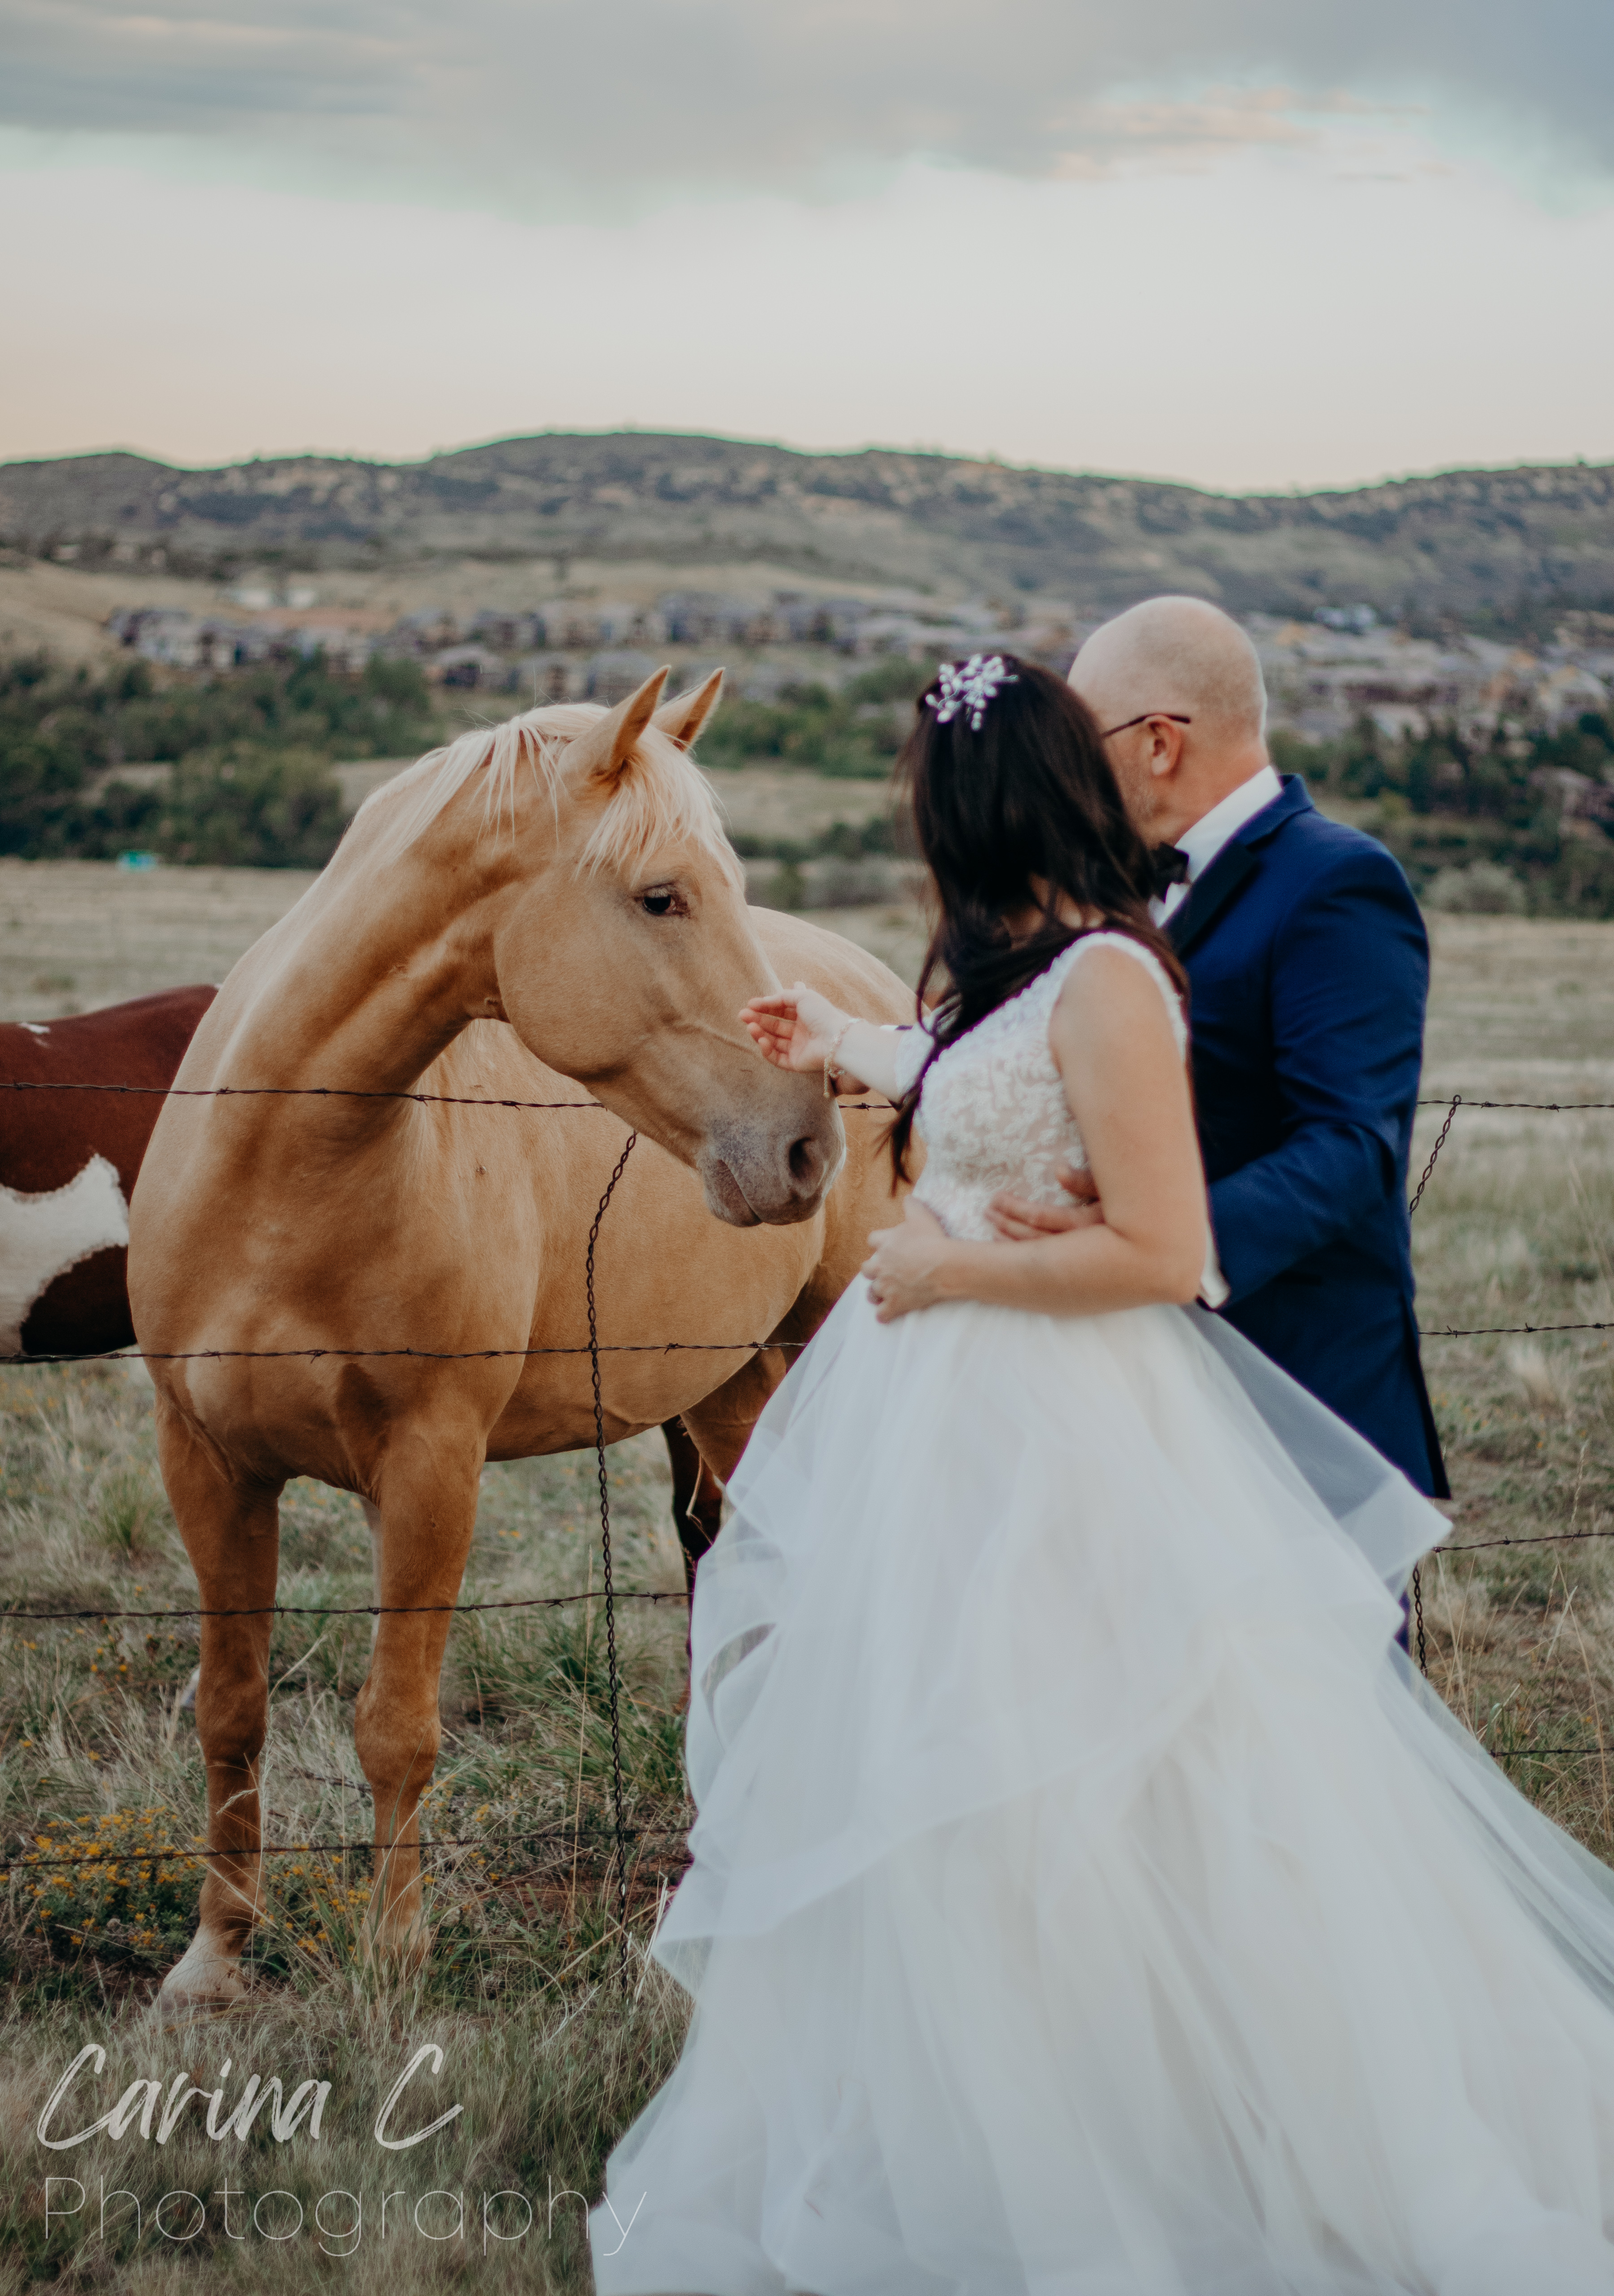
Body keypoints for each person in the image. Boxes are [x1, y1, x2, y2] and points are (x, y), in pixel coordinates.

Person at [590, 653, 1614, 2294]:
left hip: (1075, 1428)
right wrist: (848, 1038)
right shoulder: (1034, 973)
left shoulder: (1114, 981)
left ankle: (1187, 2158)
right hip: (969, 1436)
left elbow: (1161, 1241)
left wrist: (947, 1270)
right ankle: (1012, 2134)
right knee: (978, 1797)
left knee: (1120, 1786)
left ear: (975, 813)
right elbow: (983, 1087)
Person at [991, 595, 1449, 1500]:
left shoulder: (1339, 883)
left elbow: (1351, 1146)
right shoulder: (1108, 893)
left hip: (1301, 1390)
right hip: (1136, 1388)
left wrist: (1157, 1242)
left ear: (1159, 742)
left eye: (1083, 745)